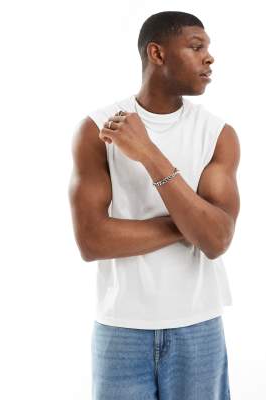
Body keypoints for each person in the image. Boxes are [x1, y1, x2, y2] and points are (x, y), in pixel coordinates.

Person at [68, 10, 240, 400]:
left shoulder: (218, 134)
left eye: (208, 48)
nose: (209, 57)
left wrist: (148, 153)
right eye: (197, 47)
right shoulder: (97, 129)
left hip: (198, 327)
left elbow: (216, 240)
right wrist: (190, 223)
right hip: (120, 330)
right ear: (157, 54)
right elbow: (92, 241)